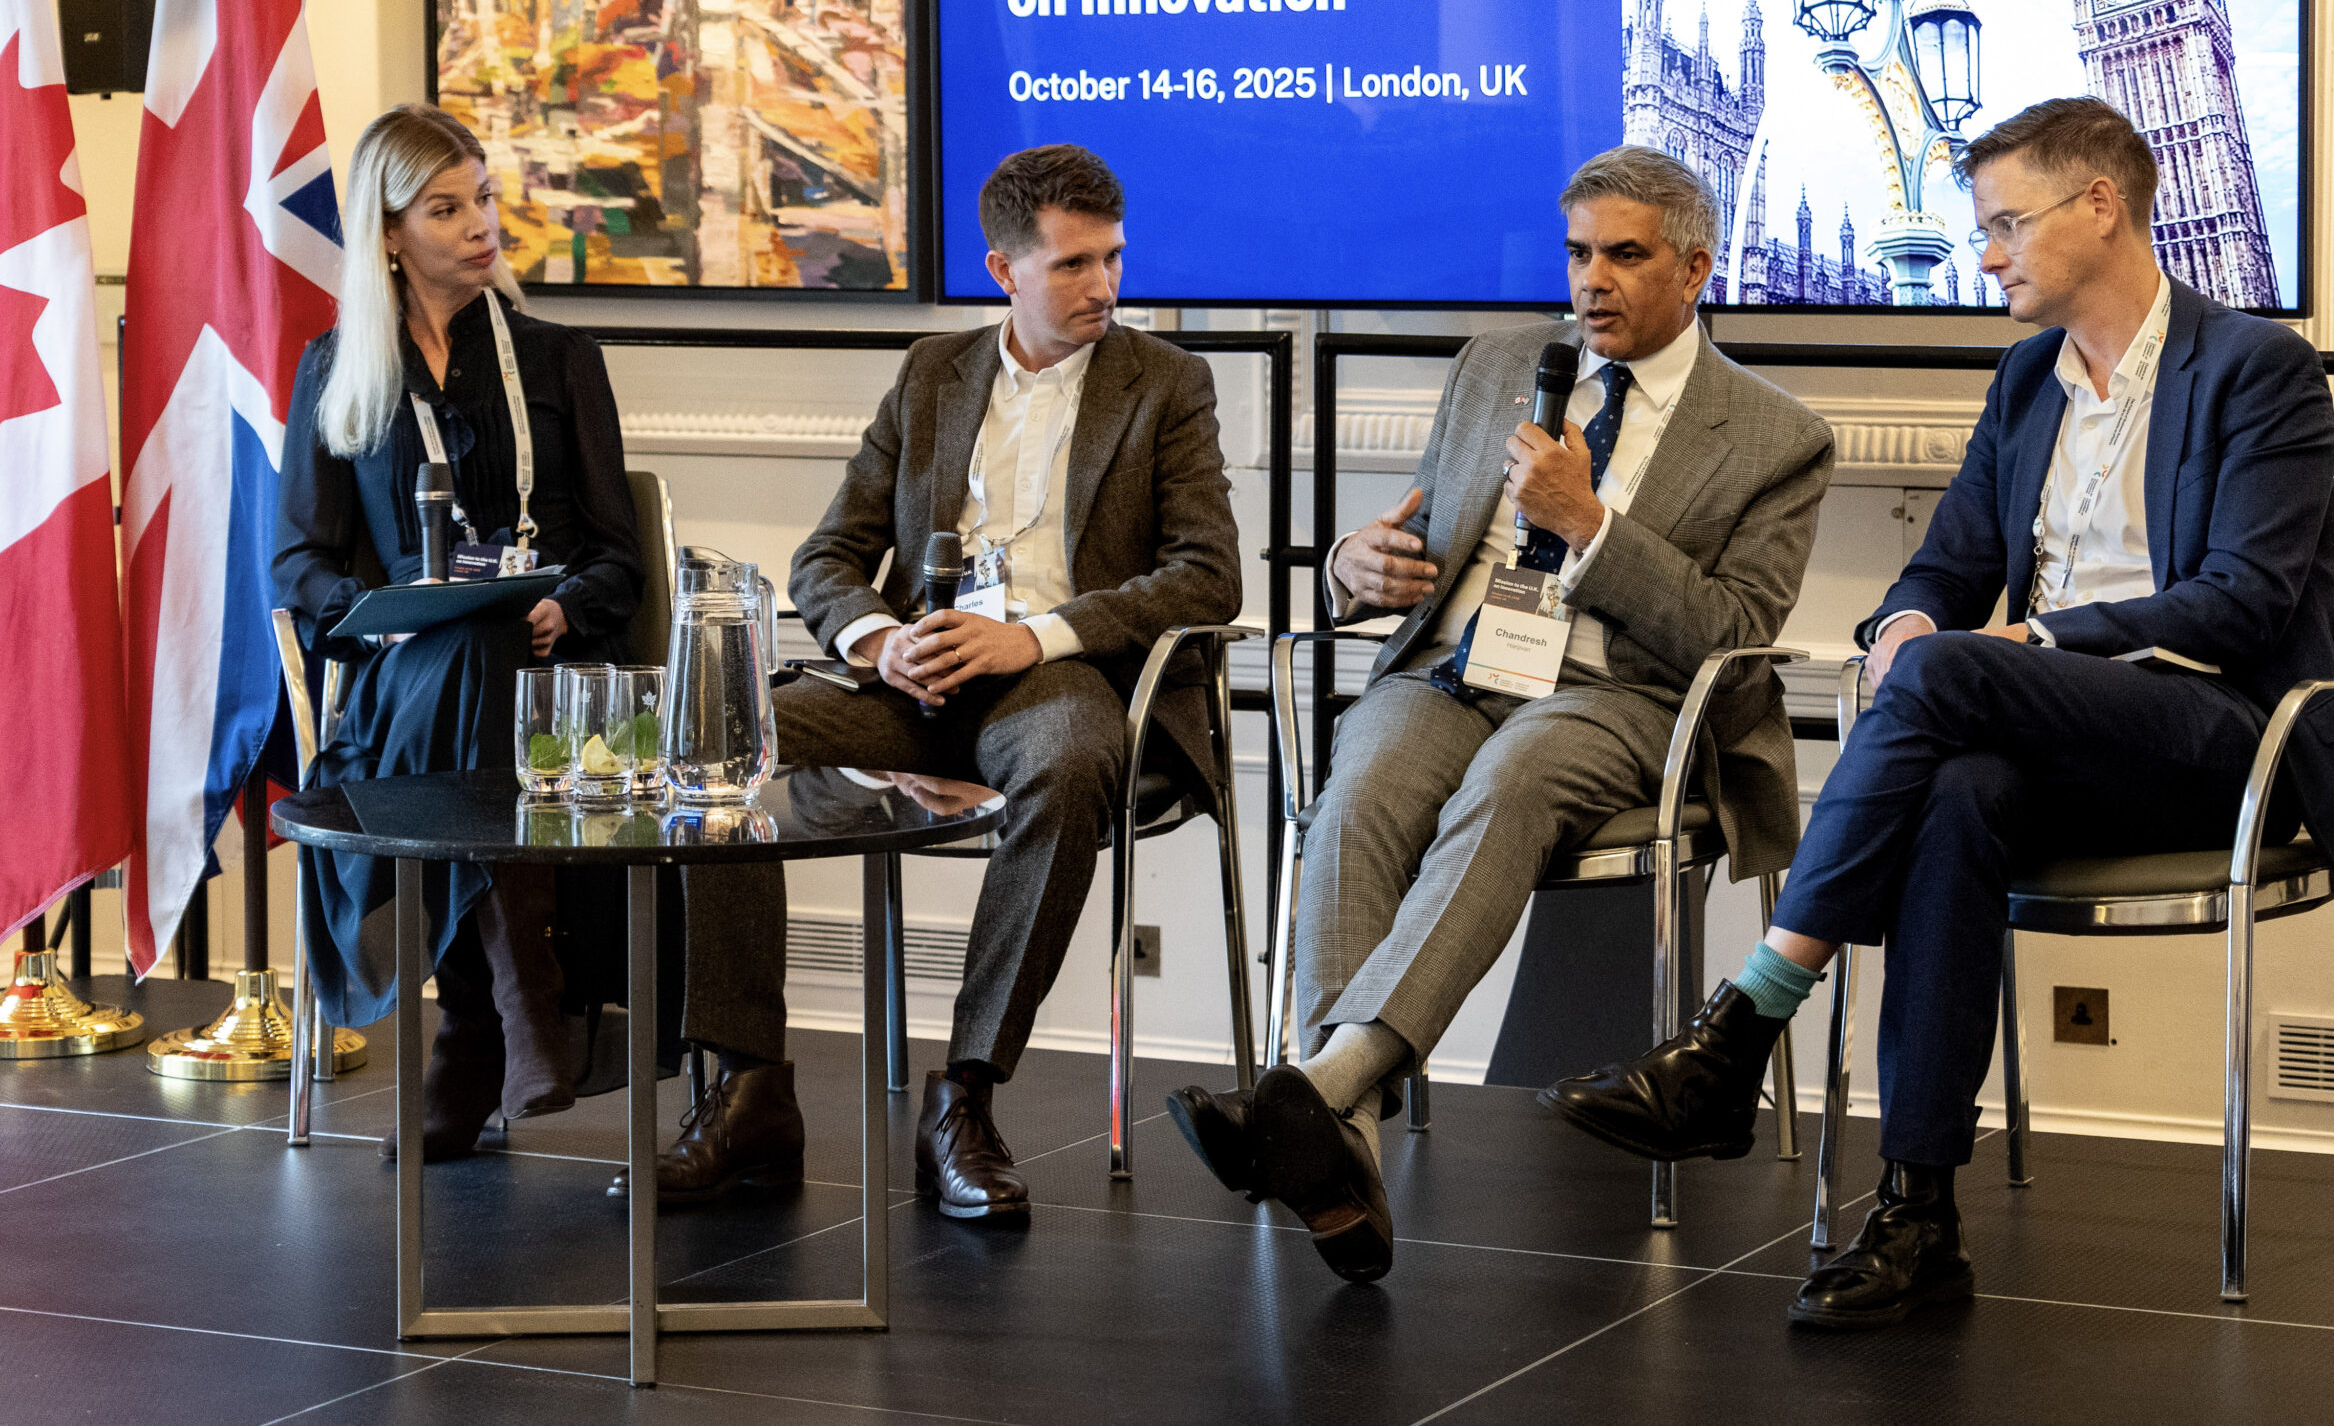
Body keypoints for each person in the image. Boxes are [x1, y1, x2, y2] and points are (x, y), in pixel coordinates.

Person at [1542, 97, 2334, 1329]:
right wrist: (1901, 626)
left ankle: (1742, 1029)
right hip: (2053, 739)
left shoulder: (2254, 368)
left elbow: (2241, 603)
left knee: (1954, 677)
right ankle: (1917, 1213)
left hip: (2222, 739)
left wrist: (2024, 641)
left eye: (2004, 224)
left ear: (2099, 207)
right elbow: (1942, 571)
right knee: (1952, 790)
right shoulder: (2026, 379)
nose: (1984, 254)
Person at [1165, 145, 1836, 1282]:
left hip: (1621, 697)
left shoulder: (1776, 435)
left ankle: (1322, 1087)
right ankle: (1340, 1137)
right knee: (1359, 784)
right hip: (1454, 668)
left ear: (1695, 269)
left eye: (1624, 256)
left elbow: (1731, 639)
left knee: (1513, 778)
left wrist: (1590, 526)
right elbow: (1420, 537)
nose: (1591, 281)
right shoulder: (1498, 366)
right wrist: (1353, 566)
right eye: (1577, 253)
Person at [618, 143, 1243, 1217]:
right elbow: (826, 556)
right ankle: (750, 1087)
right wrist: (877, 640)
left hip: (1058, 679)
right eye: (1073, 264)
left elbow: (1206, 575)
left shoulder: (1166, 383)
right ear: (1004, 270)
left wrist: (1032, 638)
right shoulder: (931, 374)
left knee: (1069, 763)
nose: (1102, 285)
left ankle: (965, 1094)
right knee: (715, 738)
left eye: (1112, 258)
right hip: (910, 684)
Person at [275, 103, 645, 1159]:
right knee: (467, 641)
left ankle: (478, 1025)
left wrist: (567, 603)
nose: (481, 224)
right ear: (389, 233)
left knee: (493, 638)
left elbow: (619, 555)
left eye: (483, 197)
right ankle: (514, 1009)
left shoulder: (561, 359)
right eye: (446, 209)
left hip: (553, 666)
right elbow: (297, 563)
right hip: (407, 680)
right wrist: (384, 622)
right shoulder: (337, 369)